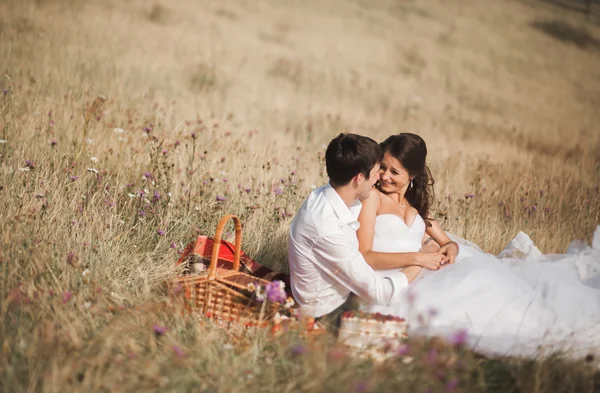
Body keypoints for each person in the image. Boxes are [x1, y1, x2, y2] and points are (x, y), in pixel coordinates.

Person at [357, 133, 600, 357]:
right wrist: (419, 258)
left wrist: (449, 251)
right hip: (395, 282)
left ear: (411, 175)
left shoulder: (414, 207)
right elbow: (366, 256)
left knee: (484, 277)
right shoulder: (373, 199)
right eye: (383, 168)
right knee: (471, 287)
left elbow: (449, 243)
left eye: (394, 172)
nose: (385, 176)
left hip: (423, 271)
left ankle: (540, 328)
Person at [288, 133, 442, 320]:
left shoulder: (336, 195)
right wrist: (420, 260)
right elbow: (380, 293)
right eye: (378, 170)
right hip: (330, 311)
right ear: (359, 178)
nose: (380, 177)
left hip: (352, 290)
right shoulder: (327, 229)